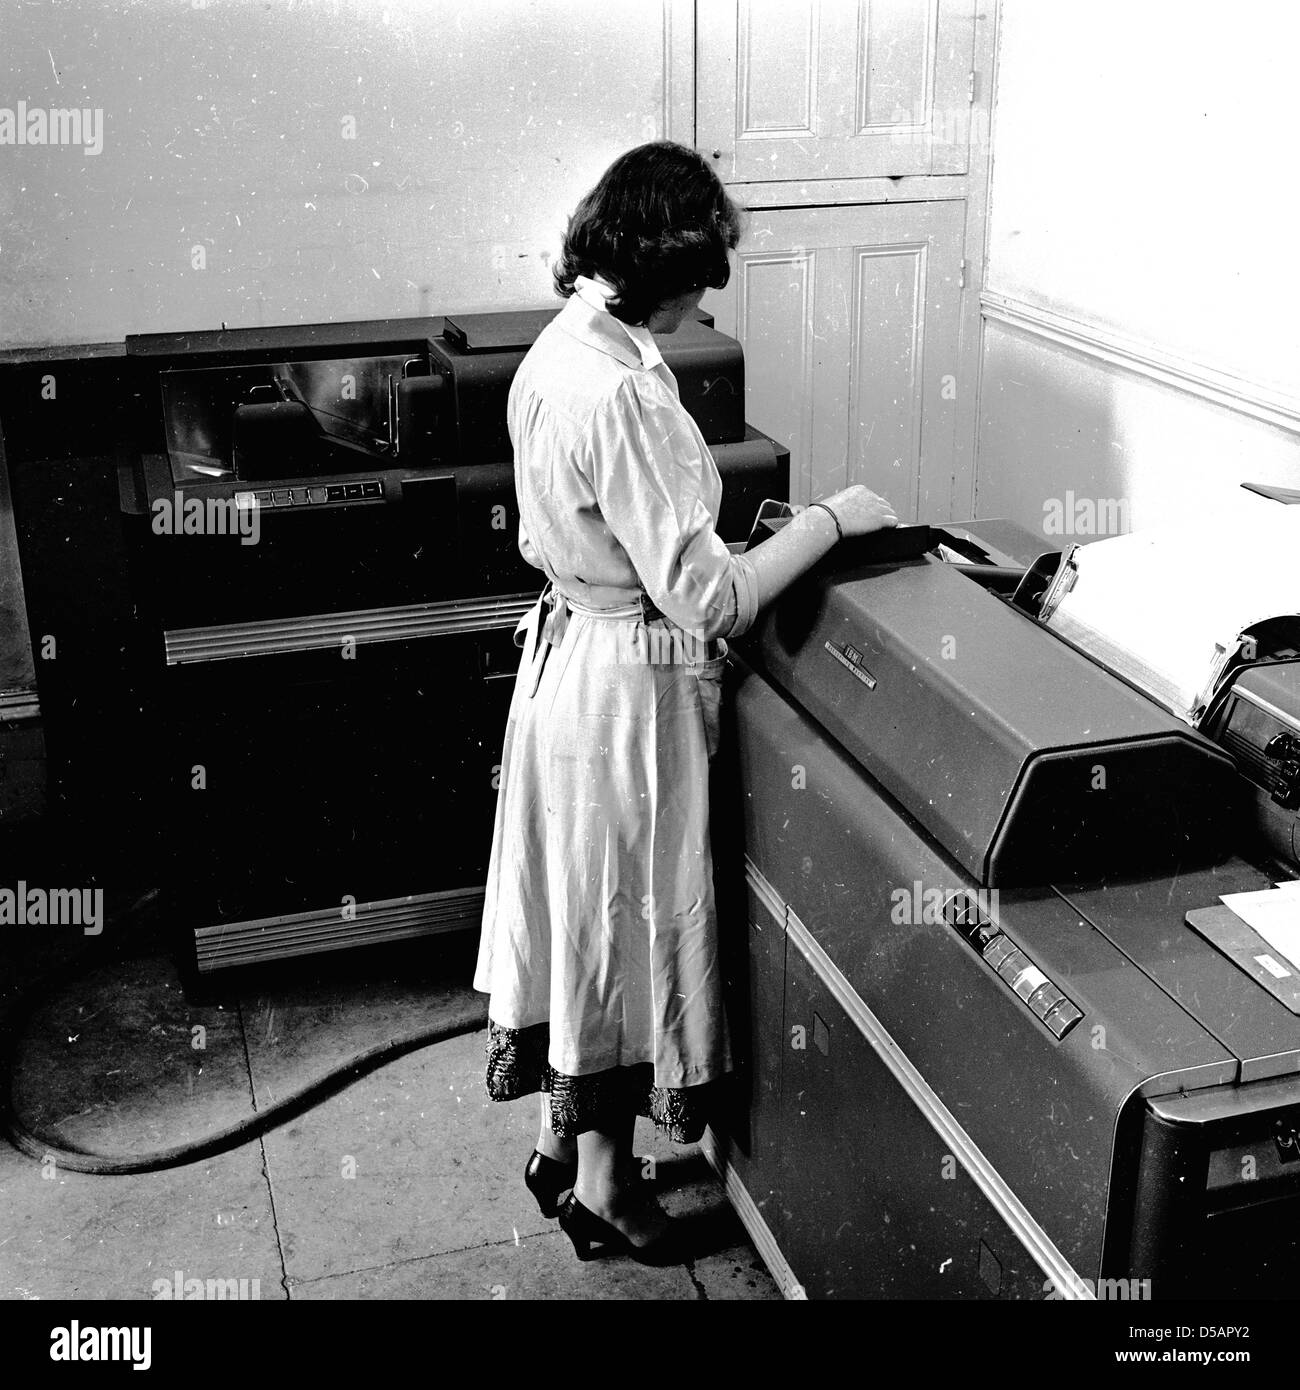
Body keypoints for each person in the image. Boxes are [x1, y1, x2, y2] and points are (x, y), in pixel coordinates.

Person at [473, 141, 897, 1264]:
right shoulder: (620, 391)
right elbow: (708, 599)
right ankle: (607, 1187)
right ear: (660, 260)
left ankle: (566, 1151)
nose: (709, 293)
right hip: (633, 690)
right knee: (629, 926)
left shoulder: (563, 346)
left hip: (574, 662)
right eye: (701, 271)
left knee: (584, 915)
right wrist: (827, 524)